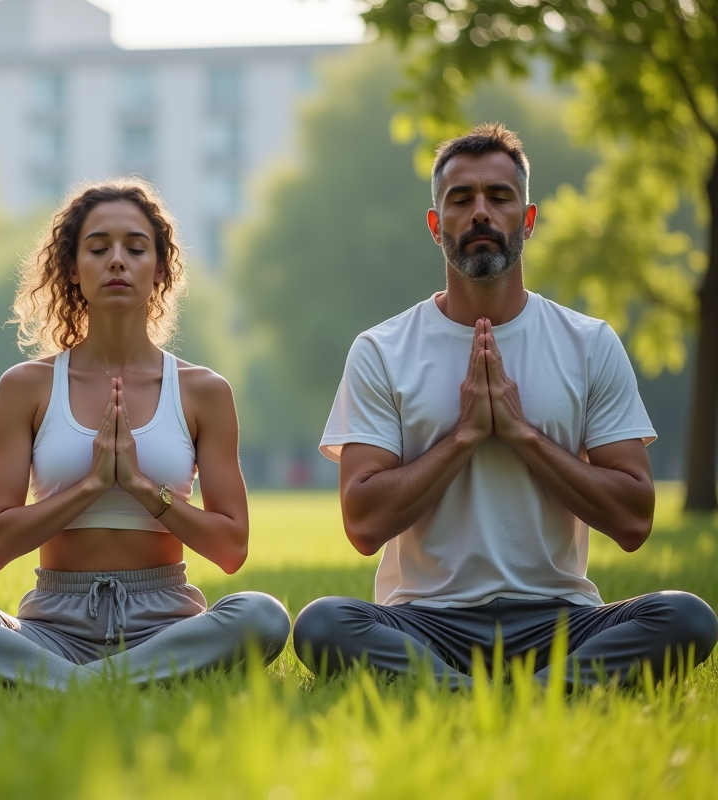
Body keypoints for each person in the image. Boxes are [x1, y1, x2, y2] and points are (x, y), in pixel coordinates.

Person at [292, 123, 717, 688]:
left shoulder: (587, 342)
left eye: (499, 196)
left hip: (559, 619)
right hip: (426, 621)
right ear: (435, 225)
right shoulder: (381, 349)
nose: (480, 214)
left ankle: (473, 695)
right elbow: (363, 524)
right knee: (323, 624)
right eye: (460, 199)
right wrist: (464, 436)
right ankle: (529, 694)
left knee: (686, 616)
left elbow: (635, 518)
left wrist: (521, 435)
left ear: (529, 219)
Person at [0, 178, 290, 688]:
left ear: (160, 269)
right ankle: (105, 681)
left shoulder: (203, 391)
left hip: (167, 623)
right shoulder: (27, 386)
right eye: (99, 248)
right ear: (74, 271)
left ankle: (66, 684)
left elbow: (232, 548)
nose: (117, 261)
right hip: (53, 626)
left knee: (263, 614)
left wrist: (146, 490)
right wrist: (90, 488)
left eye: (135, 248)